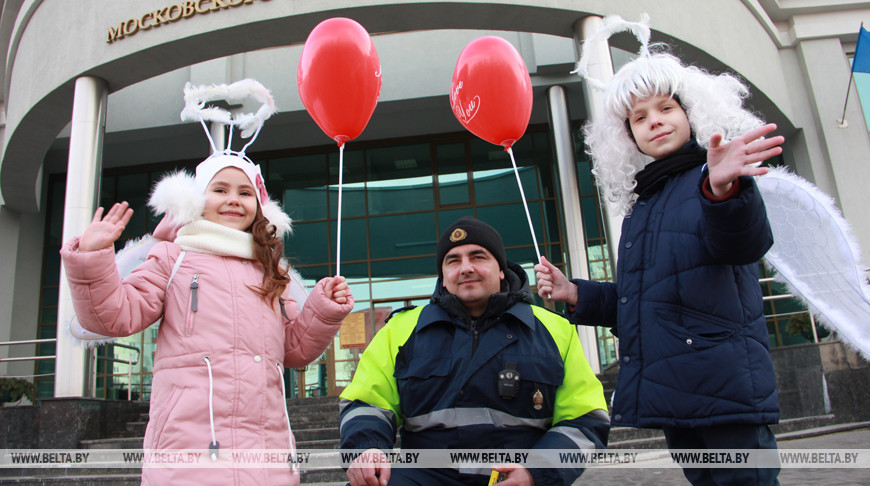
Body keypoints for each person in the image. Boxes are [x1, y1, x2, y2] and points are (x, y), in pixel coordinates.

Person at [535, 45, 785, 485]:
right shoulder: (643, 204)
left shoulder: (713, 178)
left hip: (722, 386)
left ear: (690, 113)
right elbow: (643, 302)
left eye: (665, 107)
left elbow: (746, 244)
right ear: (629, 136)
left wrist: (725, 192)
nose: (654, 120)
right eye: (639, 117)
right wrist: (576, 294)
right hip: (678, 393)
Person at [60, 150, 354, 484]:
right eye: (220, 189)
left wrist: (323, 308)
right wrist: (92, 255)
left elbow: (294, 350)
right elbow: (113, 317)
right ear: (197, 198)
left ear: (259, 205)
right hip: (187, 456)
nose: (233, 200)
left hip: (265, 461)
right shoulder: (173, 257)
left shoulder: (271, 272)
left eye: (245, 193)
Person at [340, 216, 610, 486]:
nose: (465, 268)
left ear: (502, 270)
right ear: (443, 277)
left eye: (478, 257)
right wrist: (367, 448)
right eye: (453, 261)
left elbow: (585, 419)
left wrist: (535, 472)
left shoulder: (555, 330)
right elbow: (367, 403)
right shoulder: (399, 331)